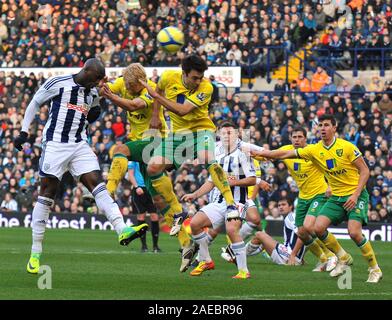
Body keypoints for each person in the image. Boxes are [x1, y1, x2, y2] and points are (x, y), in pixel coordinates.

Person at [14, 58, 148, 274]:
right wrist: (23, 131)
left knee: (97, 184)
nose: (97, 84)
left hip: (78, 144)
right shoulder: (58, 83)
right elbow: (35, 103)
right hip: (55, 144)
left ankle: (122, 229)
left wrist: (98, 108)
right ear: (86, 71)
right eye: (95, 80)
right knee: (48, 192)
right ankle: (35, 251)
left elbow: (93, 112)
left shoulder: (93, 91)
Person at [250, 114, 382, 283]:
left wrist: (356, 195)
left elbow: (365, 171)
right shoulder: (314, 150)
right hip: (336, 196)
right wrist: (261, 153)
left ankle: (374, 269)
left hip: (356, 194)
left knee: (354, 232)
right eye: (320, 125)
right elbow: (285, 153)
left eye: (326, 125)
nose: (322, 128)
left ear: (334, 128)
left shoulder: (347, 147)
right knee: (317, 228)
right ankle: (343, 257)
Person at [99, 63, 194, 272]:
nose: (127, 87)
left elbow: (133, 106)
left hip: (154, 142)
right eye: (125, 84)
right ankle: (187, 244)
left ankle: (108, 191)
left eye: (130, 86)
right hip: (142, 147)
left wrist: (110, 97)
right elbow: (107, 88)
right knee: (159, 199)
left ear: (138, 84)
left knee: (120, 150)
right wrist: (101, 87)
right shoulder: (124, 83)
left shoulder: (149, 89)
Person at [139, 55, 239, 238]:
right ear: (184, 73)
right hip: (178, 135)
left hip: (202, 131)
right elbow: (159, 91)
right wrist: (155, 115)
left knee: (207, 157)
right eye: (194, 77)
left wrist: (155, 97)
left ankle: (231, 204)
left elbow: (182, 110)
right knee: (152, 167)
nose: (198, 81)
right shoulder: (168, 77)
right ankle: (178, 212)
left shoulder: (206, 87)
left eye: (200, 77)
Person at [245, 126, 337, 271]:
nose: (297, 140)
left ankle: (331, 255)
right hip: (303, 197)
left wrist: (331, 186)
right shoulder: (287, 150)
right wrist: (251, 154)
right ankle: (324, 258)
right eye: (294, 137)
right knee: (302, 231)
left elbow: (331, 167)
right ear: (290, 139)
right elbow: (268, 155)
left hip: (319, 194)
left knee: (310, 227)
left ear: (305, 139)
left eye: (300, 137)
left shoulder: (312, 151)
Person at [181, 120, 256, 279]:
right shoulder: (217, 155)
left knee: (231, 230)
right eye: (223, 133)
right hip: (220, 202)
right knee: (195, 224)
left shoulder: (243, 153)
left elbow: (252, 179)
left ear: (236, 134)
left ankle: (243, 271)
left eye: (230, 132)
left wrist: (233, 181)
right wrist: (194, 195)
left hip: (237, 202)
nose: (227, 136)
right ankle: (206, 260)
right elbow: (211, 182)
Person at [246, 198, 306, 266]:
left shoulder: (290, 217)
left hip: (288, 256)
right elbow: (307, 238)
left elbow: (302, 235)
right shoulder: (294, 217)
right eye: (279, 205)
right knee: (264, 242)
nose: (281, 207)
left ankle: (239, 255)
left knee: (259, 234)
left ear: (290, 206)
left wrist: (293, 255)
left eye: (283, 205)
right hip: (292, 256)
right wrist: (301, 257)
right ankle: (240, 255)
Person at [128, 161, 161, 253]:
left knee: (154, 216)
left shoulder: (151, 157)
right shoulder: (133, 159)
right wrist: (136, 186)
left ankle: (155, 246)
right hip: (138, 189)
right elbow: (130, 174)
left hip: (151, 189)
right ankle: (144, 246)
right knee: (141, 216)